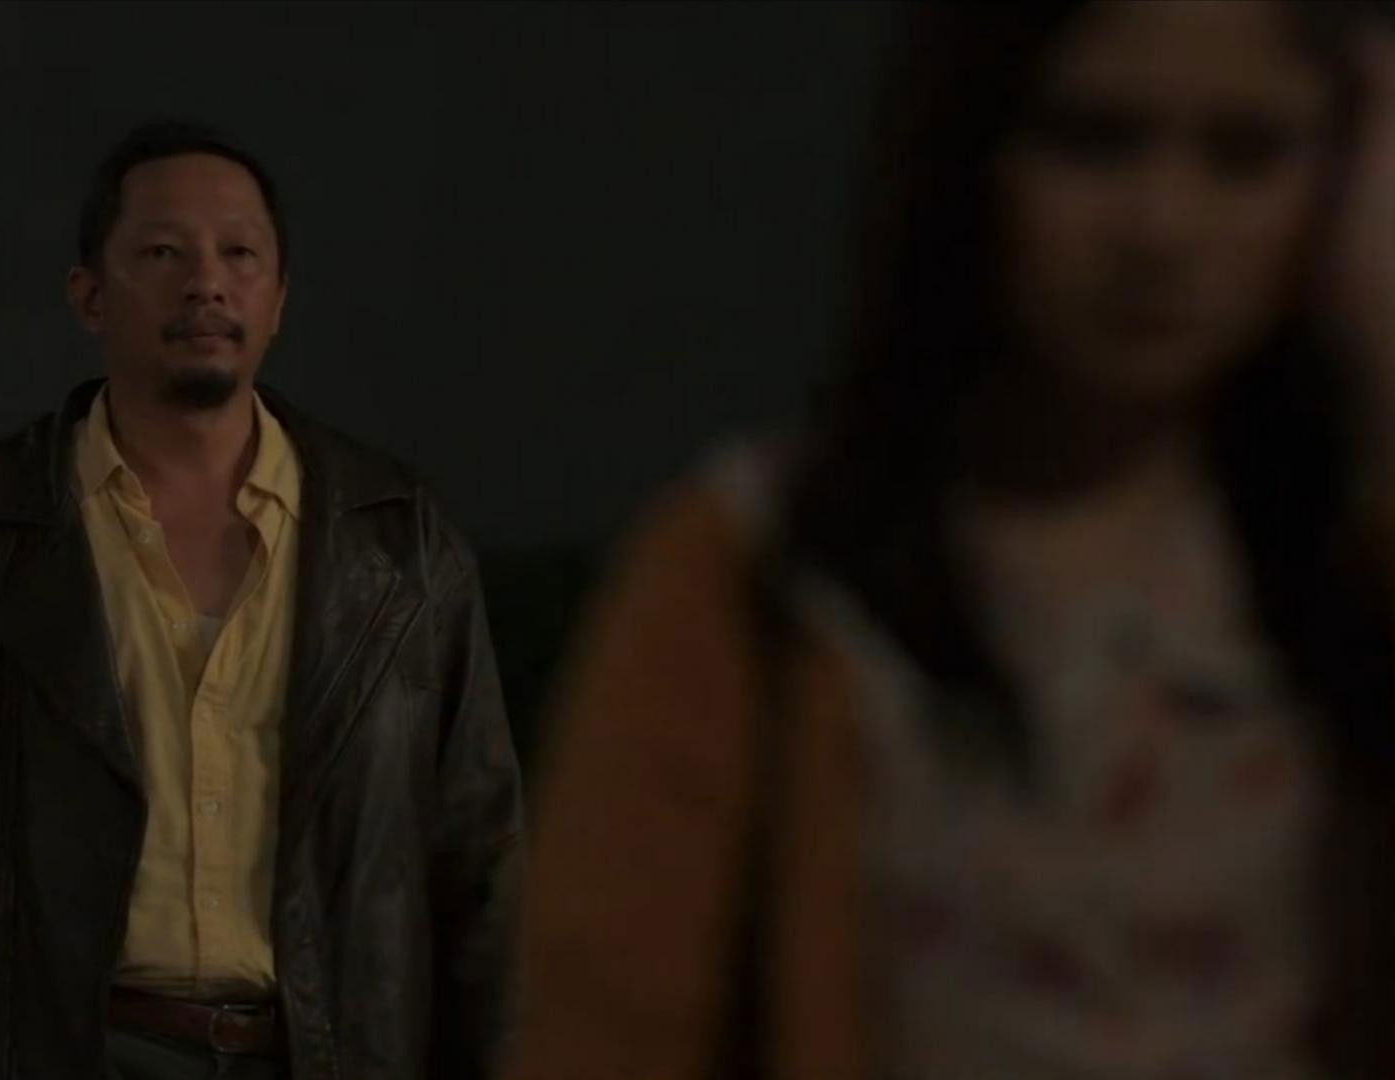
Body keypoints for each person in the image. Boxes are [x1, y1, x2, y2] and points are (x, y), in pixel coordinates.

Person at [506, 3, 1395, 1078]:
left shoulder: (1345, 559)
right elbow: (596, 1027)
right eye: (1091, 138)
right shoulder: (760, 564)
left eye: (1245, 154)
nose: (1161, 228)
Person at [0, 121, 522, 1080]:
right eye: (162, 252)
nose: (207, 283)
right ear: (89, 295)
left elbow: (483, 863)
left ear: (278, 298)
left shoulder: (399, 543)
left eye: (240, 253)